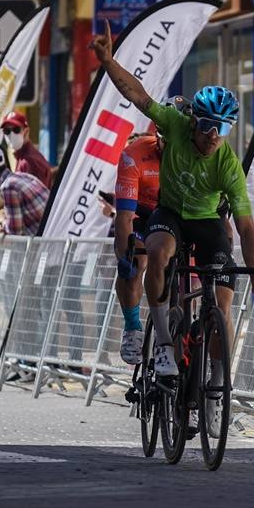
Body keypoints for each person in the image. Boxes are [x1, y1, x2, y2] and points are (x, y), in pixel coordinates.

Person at [91, 24, 254, 378]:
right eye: (206, 126)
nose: (213, 136)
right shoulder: (174, 125)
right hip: (169, 213)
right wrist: (108, 62)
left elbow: (247, 229)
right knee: (156, 253)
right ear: (192, 122)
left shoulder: (228, 165)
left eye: (222, 128)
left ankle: (218, 383)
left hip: (206, 221)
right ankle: (162, 343)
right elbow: (138, 95)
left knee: (222, 304)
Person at [113, 130, 162, 365]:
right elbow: (124, 218)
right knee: (136, 263)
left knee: (191, 279)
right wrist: (125, 257)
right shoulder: (135, 155)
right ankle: (132, 326)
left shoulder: (192, 150)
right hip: (141, 215)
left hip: (173, 215)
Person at [0, 144, 48, 236]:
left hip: (46, 240)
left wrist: (0, 218)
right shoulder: (24, 176)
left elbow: (14, 232)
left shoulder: (8, 187)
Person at [0, 111, 53, 188]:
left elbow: (38, 194)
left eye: (16, 130)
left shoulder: (29, 161)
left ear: (26, 131)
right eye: (6, 131)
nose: (11, 135)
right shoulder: (22, 157)